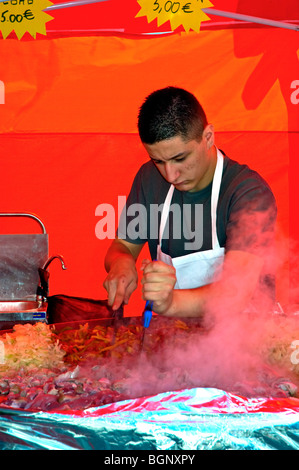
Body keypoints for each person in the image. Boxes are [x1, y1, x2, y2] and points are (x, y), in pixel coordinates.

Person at [103, 86, 277, 319]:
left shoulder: (248, 193)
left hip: (246, 340)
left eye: (180, 158)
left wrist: (171, 303)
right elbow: (123, 246)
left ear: (208, 137)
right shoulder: (148, 178)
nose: (170, 175)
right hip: (176, 340)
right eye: (158, 161)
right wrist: (121, 264)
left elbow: (236, 292)